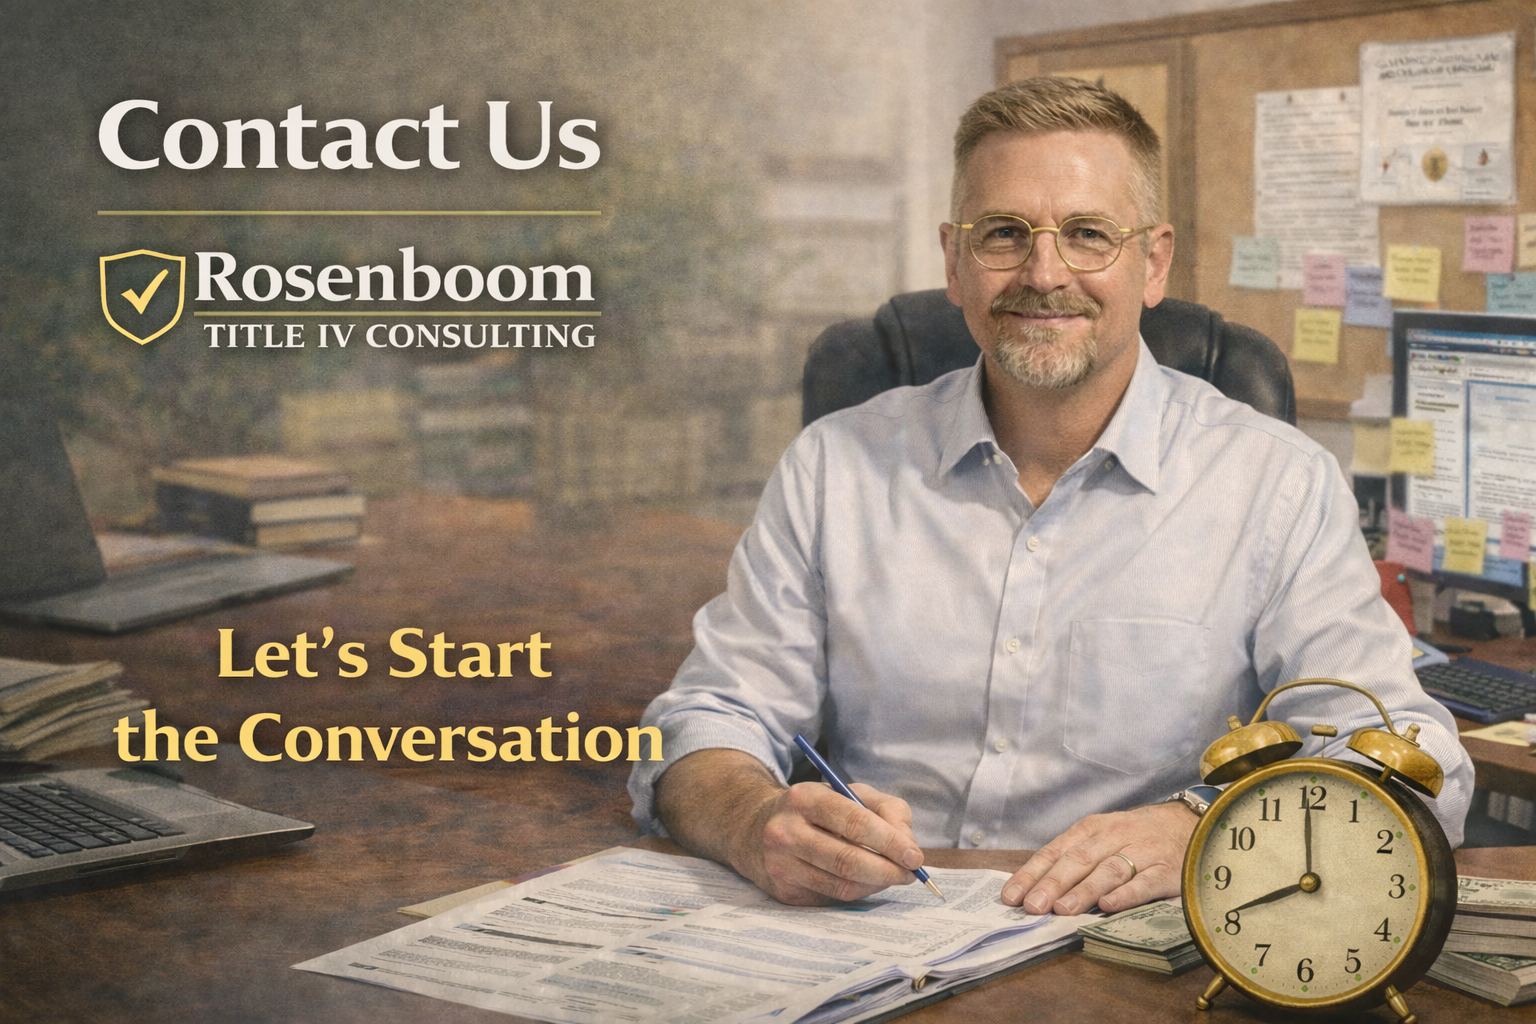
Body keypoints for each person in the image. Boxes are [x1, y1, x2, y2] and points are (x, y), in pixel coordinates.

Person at [628, 76, 1473, 917]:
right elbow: (707, 718)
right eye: (1003, 234)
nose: (1043, 271)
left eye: (1087, 234)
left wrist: (1205, 825)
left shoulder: (1274, 485)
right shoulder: (832, 467)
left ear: (1155, 262)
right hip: (861, 937)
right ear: (954, 262)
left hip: (1125, 953)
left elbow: (1413, 757)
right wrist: (754, 820)